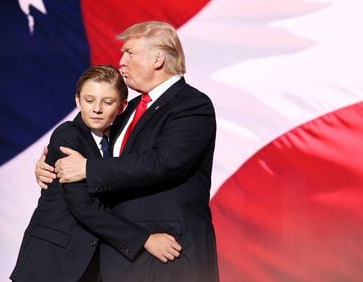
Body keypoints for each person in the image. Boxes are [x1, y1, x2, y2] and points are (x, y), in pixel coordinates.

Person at [36, 21, 219, 282]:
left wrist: (87, 169)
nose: (121, 61)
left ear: (158, 59)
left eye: (129, 53)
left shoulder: (191, 105)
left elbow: (164, 162)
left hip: (169, 254)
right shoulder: (127, 110)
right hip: (121, 257)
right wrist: (50, 161)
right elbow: (85, 139)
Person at [11, 65, 182, 282]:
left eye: (107, 102)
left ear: (121, 107)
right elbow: (81, 205)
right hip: (50, 263)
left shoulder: (121, 140)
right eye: (89, 100)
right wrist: (145, 240)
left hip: (92, 265)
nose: (97, 109)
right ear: (77, 100)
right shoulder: (68, 135)